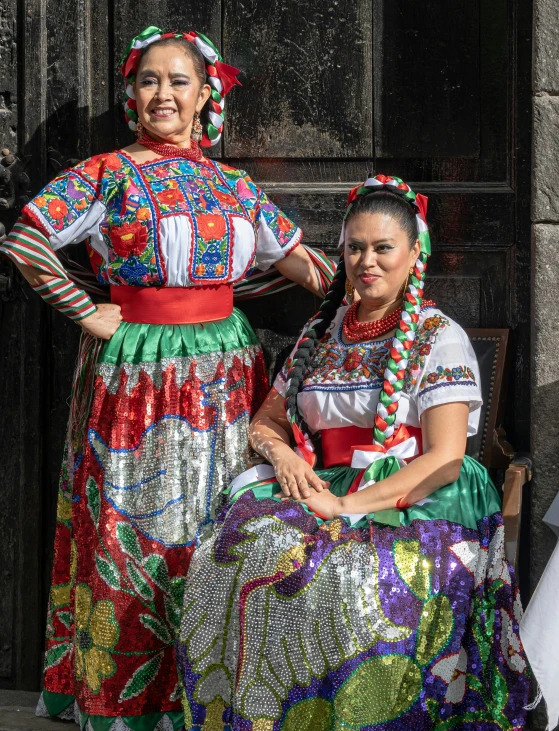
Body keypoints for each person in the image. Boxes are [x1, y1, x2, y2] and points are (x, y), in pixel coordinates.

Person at [0, 26, 332, 731]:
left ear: (206, 95)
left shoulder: (234, 187)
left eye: (179, 81)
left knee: (221, 523)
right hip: (139, 372)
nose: (163, 94)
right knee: (139, 526)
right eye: (149, 80)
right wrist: (87, 311)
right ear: (131, 94)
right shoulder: (107, 174)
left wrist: (376, 295)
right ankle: (131, 698)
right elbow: (26, 238)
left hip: (226, 372)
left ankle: (215, 690)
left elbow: (302, 265)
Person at [176, 175, 530, 729]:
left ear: (415, 253)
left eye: (383, 247)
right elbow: (266, 419)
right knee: (239, 553)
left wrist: (347, 508)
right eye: (354, 247)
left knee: (355, 579)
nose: (367, 261)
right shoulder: (323, 332)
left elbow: (445, 459)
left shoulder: (439, 337)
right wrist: (286, 457)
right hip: (327, 483)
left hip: (416, 496)